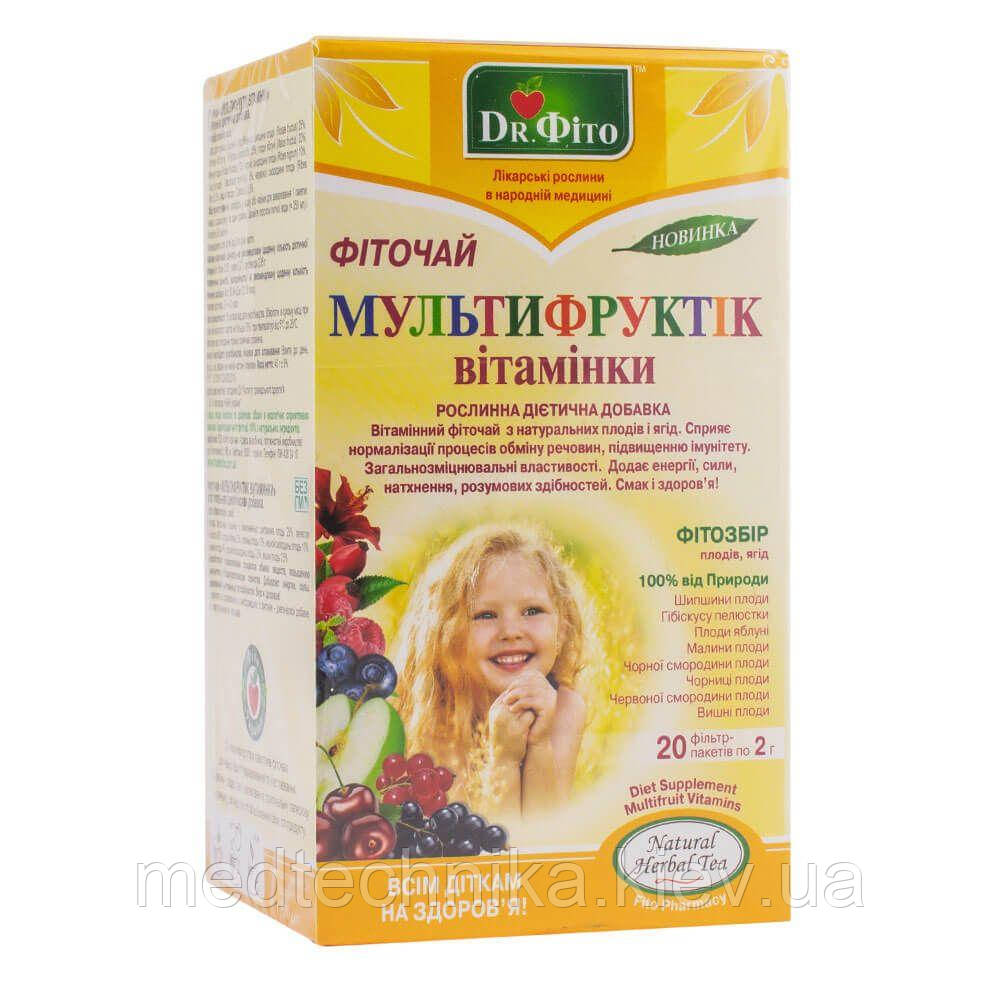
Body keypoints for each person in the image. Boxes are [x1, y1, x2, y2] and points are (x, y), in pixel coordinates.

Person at [394, 524, 587, 818]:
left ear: (562, 627)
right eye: (485, 615)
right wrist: (505, 759)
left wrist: (539, 744)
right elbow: (485, 838)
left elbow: (544, 831)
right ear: (446, 634)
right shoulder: (434, 716)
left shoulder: (564, 708)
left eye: (532, 611)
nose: (510, 631)